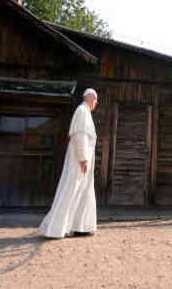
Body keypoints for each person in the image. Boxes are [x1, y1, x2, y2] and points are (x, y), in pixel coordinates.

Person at [39, 88, 98, 238]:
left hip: (84, 161)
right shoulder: (82, 111)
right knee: (71, 190)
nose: (96, 103)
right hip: (79, 161)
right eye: (96, 100)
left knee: (83, 192)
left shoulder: (86, 113)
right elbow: (80, 136)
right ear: (90, 97)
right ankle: (56, 228)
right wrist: (83, 158)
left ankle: (79, 226)